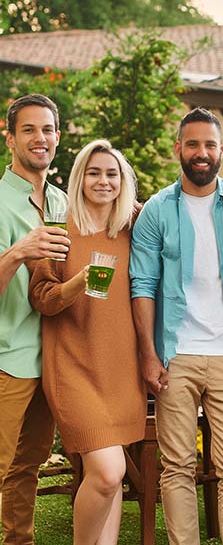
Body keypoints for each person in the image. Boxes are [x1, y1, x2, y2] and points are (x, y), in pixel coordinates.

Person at [129, 107, 223, 545]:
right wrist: (149, 354)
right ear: (179, 149)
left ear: (222, 149)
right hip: (176, 354)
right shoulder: (156, 210)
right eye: (192, 144)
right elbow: (143, 284)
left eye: (210, 144)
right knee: (177, 466)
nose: (202, 152)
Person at [29, 139, 146, 545]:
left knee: (106, 480)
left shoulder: (135, 229)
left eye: (111, 173)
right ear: (80, 179)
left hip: (121, 373)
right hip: (73, 367)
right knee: (109, 470)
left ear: (122, 181)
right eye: (94, 173)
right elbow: (41, 298)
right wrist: (78, 283)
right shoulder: (59, 234)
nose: (103, 181)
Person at [0, 94, 69, 545]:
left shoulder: (65, 201)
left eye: (46, 130)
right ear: (10, 139)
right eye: (28, 130)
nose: (39, 138)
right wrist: (18, 251)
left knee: (28, 465)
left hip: (56, 360)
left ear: (58, 138)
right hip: (8, 358)